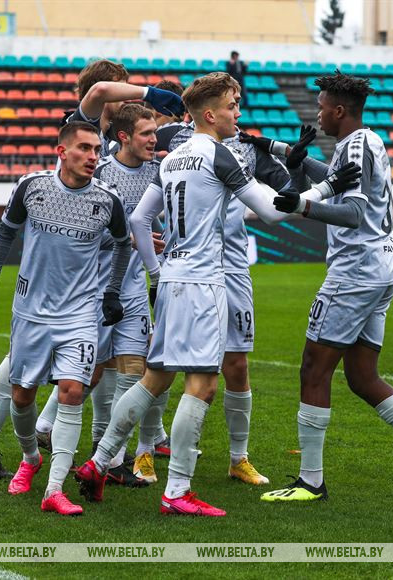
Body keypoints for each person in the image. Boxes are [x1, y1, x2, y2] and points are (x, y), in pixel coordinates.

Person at [74, 72, 343, 516]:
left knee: (155, 377)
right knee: (202, 384)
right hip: (203, 282)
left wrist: (156, 271)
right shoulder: (219, 154)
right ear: (211, 114)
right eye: (232, 105)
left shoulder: (171, 158)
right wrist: (327, 187)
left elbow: (139, 220)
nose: (238, 113)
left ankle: (99, 462)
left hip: (172, 279)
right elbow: (272, 212)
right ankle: (178, 491)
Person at [0, 60, 182, 478]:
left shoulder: (114, 147)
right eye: (122, 89)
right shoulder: (86, 128)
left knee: (100, 367)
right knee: (32, 369)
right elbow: (100, 93)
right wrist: (150, 93)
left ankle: (104, 452)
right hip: (75, 281)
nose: (126, 96)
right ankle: (3, 438)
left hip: (109, 278)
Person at [258, 71, 393, 503]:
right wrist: (284, 153)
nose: (317, 113)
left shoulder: (354, 145)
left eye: (321, 106)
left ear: (338, 110)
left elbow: (352, 212)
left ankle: (310, 482)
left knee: (314, 369)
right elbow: (336, 178)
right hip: (381, 266)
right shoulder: (367, 141)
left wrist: (303, 206)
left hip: (354, 271)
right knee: (361, 375)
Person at [0, 121, 132, 516]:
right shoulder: (31, 187)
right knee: (21, 396)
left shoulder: (107, 200)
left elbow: (123, 246)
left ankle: (55, 489)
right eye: (84, 148)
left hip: (81, 313)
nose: (93, 156)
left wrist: (111, 292)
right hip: (31, 312)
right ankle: (30, 458)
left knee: (73, 392)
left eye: (96, 149)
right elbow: (4, 236)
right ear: (62, 151)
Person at [89, 103, 163, 486]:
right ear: (124, 137)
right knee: (94, 372)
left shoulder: (158, 172)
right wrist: (132, 239)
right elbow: (87, 233)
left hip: (133, 287)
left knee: (134, 371)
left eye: (155, 132)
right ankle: (87, 441)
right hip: (96, 288)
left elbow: (158, 220)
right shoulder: (101, 174)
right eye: (147, 133)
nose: (154, 140)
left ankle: (114, 458)